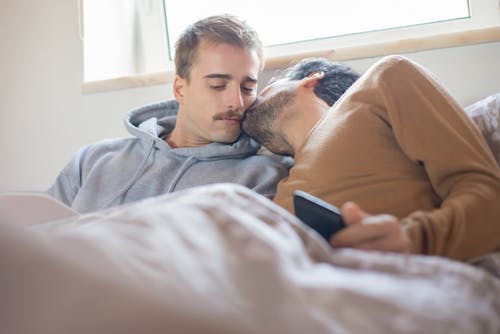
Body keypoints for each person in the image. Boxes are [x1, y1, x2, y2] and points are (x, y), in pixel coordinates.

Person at [242, 55, 500, 261]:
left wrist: (414, 239)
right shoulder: (277, 188)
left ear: (311, 79)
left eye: (263, 88)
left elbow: (489, 196)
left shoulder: (383, 81)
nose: (247, 100)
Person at [48, 15, 289, 213]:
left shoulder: (261, 177)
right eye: (217, 85)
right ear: (180, 89)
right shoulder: (93, 159)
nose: (237, 102)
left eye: (247, 88)